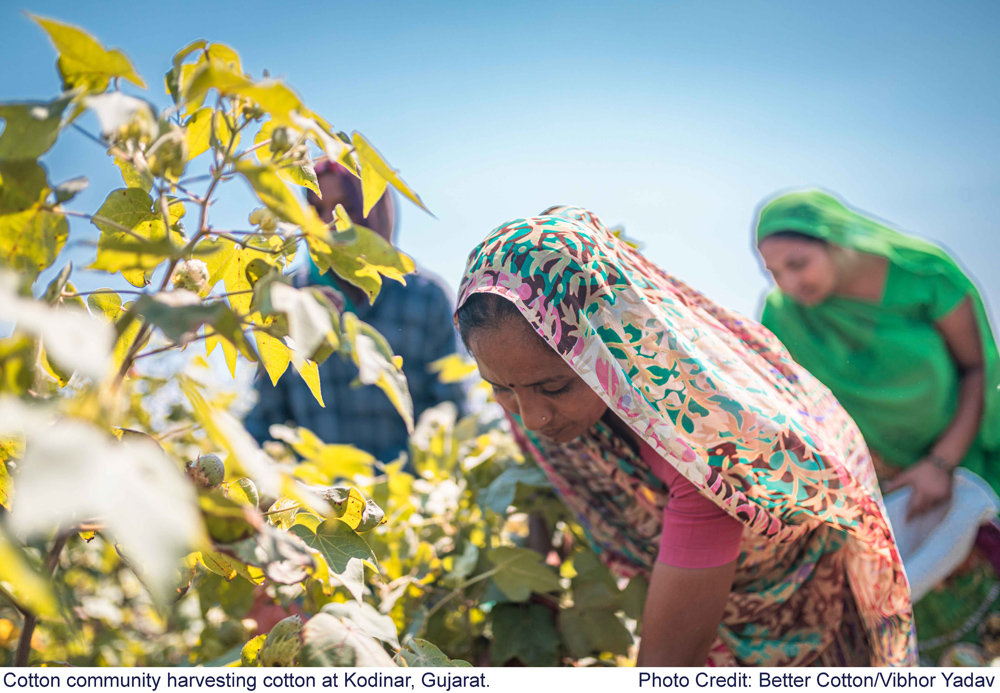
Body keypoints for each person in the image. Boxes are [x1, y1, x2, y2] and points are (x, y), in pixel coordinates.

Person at [455, 205, 914, 666]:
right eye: (500, 388)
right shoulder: (531, 381)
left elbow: (666, 667)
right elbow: (549, 470)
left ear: (612, 341)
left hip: (807, 625)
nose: (530, 417)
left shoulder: (704, 448)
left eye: (553, 387)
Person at [754, 189, 1000, 663]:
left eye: (798, 263)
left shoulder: (924, 276)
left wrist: (941, 463)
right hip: (883, 490)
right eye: (774, 273)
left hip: (963, 458)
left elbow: (976, 369)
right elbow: (794, 408)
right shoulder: (783, 316)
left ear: (836, 240)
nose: (788, 282)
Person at [243, 161, 466, 462]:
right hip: (316, 497)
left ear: (375, 212)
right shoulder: (287, 298)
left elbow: (451, 401)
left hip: (407, 495)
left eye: (344, 210)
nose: (328, 225)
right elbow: (265, 417)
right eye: (316, 211)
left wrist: (423, 451)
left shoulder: (425, 298)